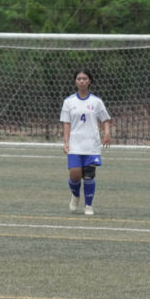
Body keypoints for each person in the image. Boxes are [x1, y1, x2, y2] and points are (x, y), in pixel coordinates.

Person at [61, 69, 112, 216]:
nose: (82, 81)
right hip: (75, 144)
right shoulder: (69, 102)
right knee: (75, 175)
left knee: (89, 175)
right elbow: (66, 123)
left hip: (91, 145)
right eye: (79, 78)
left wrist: (107, 133)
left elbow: (105, 119)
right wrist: (66, 142)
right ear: (75, 81)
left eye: (84, 78)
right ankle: (75, 195)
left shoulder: (96, 101)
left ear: (89, 81)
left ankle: (88, 205)